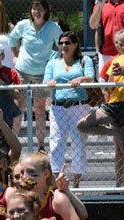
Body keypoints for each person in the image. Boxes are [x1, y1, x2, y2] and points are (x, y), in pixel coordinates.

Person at [77, 28, 124, 187]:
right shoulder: (114, 60)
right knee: (83, 125)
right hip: (113, 104)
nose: (122, 47)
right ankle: (114, 132)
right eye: (118, 44)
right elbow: (108, 84)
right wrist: (107, 88)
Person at [8, 0, 62, 151]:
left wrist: (54, 61)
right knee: (19, 107)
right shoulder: (23, 25)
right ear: (30, 10)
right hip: (22, 71)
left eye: (40, 8)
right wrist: (15, 55)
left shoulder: (53, 27)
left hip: (41, 74)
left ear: (45, 10)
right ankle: (13, 143)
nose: (36, 11)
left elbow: (62, 44)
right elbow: (12, 39)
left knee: (39, 109)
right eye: (34, 8)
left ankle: (40, 145)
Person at [44, 31, 94, 188]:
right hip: (58, 107)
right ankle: (57, 182)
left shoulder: (84, 60)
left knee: (78, 143)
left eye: (67, 43)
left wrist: (82, 78)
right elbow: (46, 80)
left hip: (79, 106)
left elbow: (91, 76)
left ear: (75, 45)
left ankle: (76, 184)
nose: (64, 46)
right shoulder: (53, 62)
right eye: (61, 43)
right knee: (56, 143)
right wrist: (50, 82)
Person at [90, 0, 124, 70]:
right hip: (105, 54)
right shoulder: (101, 4)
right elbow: (93, 26)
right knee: (105, 80)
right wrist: (100, 6)